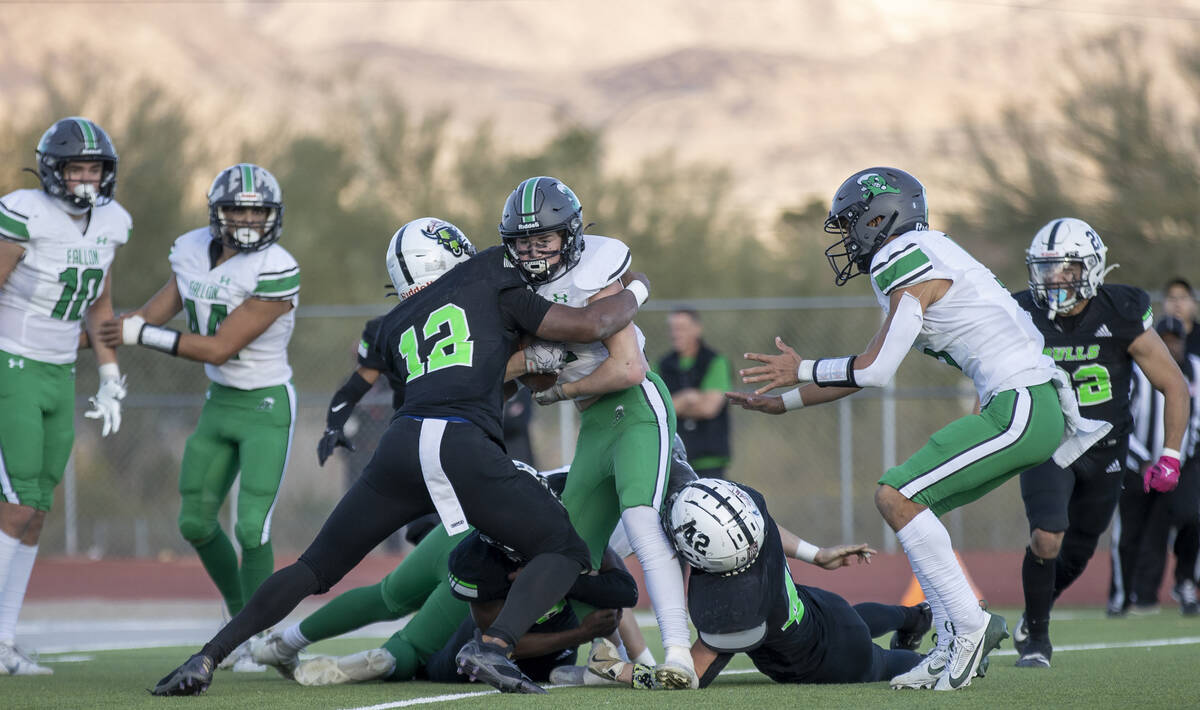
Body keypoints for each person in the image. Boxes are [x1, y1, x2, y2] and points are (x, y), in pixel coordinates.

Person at [147, 216, 652, 696]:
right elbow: (591, 324)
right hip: (462, 443)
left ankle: (209, 656)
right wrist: (639, 287)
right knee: (563, 549)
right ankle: (494, 647)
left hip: (403, 444)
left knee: (313, 567)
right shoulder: (492, 273)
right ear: (458, 251)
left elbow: (458, 375)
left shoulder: (392, 325)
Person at [727, 167, 1107, 691]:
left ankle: (967, 627)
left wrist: (803, 369)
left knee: (896, 494)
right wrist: (785, 402)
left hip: (1020, 403)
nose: (847, 238)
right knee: (908, 502)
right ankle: (958, 628)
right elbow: (867, 365)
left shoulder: (900, 256)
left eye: (851, 223)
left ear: (881, 219)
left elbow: (874, 371)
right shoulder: (927, 254)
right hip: (1026, 407)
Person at [98, 163, 299, 671]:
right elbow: (157, 310)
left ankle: (260, 636)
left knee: (251, 529)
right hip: (220, 404)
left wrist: (140, 335)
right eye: (238, 209)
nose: (249, 220)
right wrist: (105, 341)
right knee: (194, 521)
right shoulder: (190, 250)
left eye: (259, 211)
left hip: (265, 404)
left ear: (273, 216)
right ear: (217, 214)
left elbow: (219, 348)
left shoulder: (278, 267)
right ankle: (239, 624)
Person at [498, 176, 694, 688]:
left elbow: (628, 369)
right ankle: (611, 654)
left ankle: (678, 654)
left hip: (636, 405)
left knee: (643, 521)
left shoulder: (595, 269)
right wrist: (536, 365)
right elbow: (535, 370)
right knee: (573, 551)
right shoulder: (517, 289)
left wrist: (556, 391)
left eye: (544, 239)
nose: (534, 251)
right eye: (524, 242)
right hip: (595, 423)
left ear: (571, 236)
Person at [1009, 219, 1190, 668]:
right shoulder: (1020, 313)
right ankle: (1038, 640)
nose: (1054, 280)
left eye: (1065, 269)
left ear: (1090, 268)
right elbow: (991, 381)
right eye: (1046, 269)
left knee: (1079, 550)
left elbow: (1175, 385)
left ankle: (1035, 611)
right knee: (1047, 536)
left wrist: (1170, 454)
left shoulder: (1121, 311)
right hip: (1048, 443)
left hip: (1107, 448)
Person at [0, 117, 130, 675]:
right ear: (53, 170)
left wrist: (108, 373)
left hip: (58, 372)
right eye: (76, 167)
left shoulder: (111, 223)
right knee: (20, 501)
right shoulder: (25, 211)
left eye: (94, 168)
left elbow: (99, 304)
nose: (85, 178)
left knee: (38, 512)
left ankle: (5, 642)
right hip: (13, 360)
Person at [587, 478, 930, 689]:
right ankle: (914, 616)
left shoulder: (736, 605)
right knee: (854, 618)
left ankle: (942, 659)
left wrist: (621, 670)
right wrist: (816, 553)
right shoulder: (747, 524)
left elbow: (685, 677)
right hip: (822, 609)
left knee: (887, 663)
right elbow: (765, 525)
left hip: (833, 662)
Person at [1108, 315, 1200, 617]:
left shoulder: (1195, 371)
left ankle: (1146, 597)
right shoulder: (1134, 372)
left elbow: (1194, 422)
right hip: (1136, 467)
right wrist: (1142, 458)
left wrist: (1175, 459)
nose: (1172, 346)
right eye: (1167, 340)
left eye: (1177, 340)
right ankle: (1120, 598)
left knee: (1159, 533)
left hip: (1173, 468)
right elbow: (1122, 418)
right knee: (1128, 534)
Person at [656, 308, 734, 478]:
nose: (675, 334)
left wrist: (671, 406)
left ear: (697, 329)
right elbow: (653, 408)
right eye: (672, 329)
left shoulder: (715, 361)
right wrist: (687, 399)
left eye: (681, 328)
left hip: (709, 459)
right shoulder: (662, 365)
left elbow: (709, 407)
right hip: (673, 460)